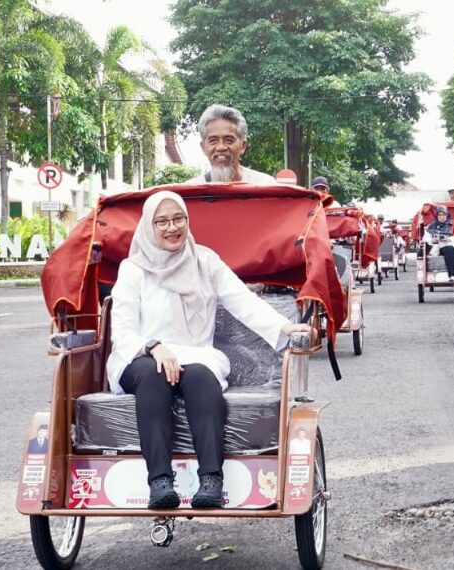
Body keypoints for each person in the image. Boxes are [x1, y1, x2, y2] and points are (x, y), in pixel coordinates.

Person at [106, 190, 309, 509]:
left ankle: (211, 480)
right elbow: (123, 330)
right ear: (149, 226)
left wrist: (283, 327)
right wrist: (153, 347)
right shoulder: (134, 270)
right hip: (141, 357)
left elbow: (242, 301)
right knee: (153, 375)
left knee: (202, 377)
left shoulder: (205, 261)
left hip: (193, 354)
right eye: (162, 221)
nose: (172, 227)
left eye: (178, 219)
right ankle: (159, 481)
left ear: (188, 221)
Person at [187, 104, 276, 184]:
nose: (221, 147)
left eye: (229, 140)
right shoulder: (190, 193)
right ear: (203, 148)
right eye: (213, 140)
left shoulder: (265, 185)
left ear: (243, 146)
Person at [424, 205, 454, 282]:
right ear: (437, 216)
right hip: (443, 245)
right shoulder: (432, 226)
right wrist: (432, 240)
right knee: (449, 249)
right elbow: (426, 238)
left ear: (447, 215)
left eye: (443, 214)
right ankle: (452, 275)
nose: (441, 217)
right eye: (439, 215)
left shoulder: (453, 224)